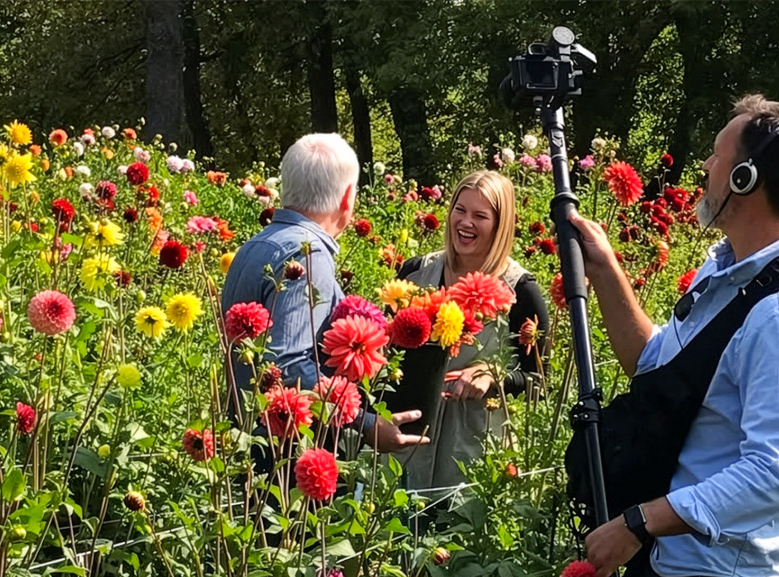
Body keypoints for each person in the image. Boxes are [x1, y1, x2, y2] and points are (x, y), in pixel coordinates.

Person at [576, 95, 779, 577]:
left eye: (717, 156)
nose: (704, 167)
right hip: (676, 569)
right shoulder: (731, 272)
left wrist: (639, 522)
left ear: (745, 178)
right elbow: (657, 371)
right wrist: (604, 269)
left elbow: (774, 474)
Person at [221, 132, 428, 463]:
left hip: (242, 438)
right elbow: (286, 362)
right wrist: (368, 423)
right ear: (348, 198)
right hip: (282, 452)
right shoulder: (307, 254)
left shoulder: (255, 245)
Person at [394, 170, 550, 491]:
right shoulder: (416, 273)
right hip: (406, 445)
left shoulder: (520, 290)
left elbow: (539, 378)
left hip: (472, 452)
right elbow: (385, 351)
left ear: (500, 225)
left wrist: (495, 376)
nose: (465, 223)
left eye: (480, 216)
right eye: (459, 210)